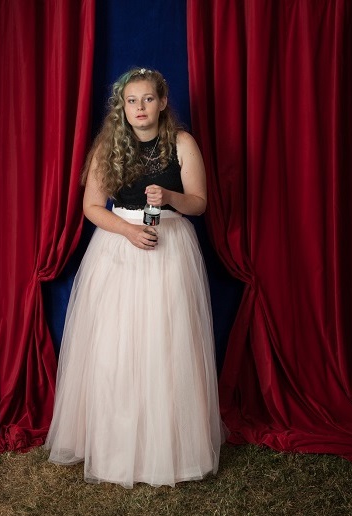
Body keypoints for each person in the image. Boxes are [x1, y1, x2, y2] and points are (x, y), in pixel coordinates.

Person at [44, 67, 226, 488]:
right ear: (122, 108)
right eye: (131, 101)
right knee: (117, 347)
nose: (140, 108)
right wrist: (128, 231)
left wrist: (171, 197)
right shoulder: (109, 146)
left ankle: (170, 450)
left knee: (168, 346)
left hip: (171, 248)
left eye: (147, 99)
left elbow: (198, 204)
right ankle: (115, 446)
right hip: (119, 250)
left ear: (162, 103)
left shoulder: (182, 143)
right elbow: (92, 206)